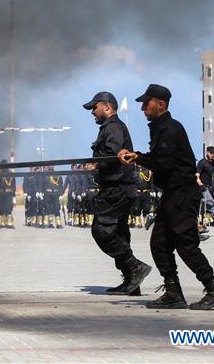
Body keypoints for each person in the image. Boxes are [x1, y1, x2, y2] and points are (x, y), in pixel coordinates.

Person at [118, 84, 214, 310]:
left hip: (182, 194)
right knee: (159, 243)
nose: (142, 108)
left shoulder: (169, 129)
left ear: (160, 104)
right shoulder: (160, 127)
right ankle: (173, 292)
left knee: (186, 245)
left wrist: (136, 158)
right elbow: (161, 159)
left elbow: (163, 164)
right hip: (172, 194)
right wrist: (137, 156)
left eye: (146, 103)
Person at [83, 91, 151, 296]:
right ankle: (132, 283)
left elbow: (113, 155)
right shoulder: (113, 127)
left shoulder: (112, 127)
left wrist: (94, 164)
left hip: (116, 188)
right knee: (120, 233)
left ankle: (135, 267)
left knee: (102, 230)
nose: (92, 112)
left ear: (106, 106)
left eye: (94, 108)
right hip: (121, 188)